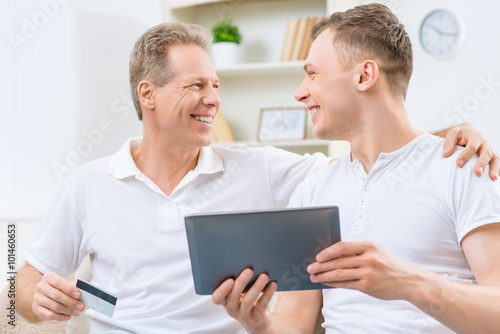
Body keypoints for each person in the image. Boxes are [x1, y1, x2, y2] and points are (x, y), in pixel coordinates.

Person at [17, 20, 497, 333]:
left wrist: (444, 139)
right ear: (149, 94)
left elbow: (388, 155)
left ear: (365, 75)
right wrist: (37, 300)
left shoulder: (267, 170)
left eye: (217, 86)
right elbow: (15, 297)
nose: (214, 99)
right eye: (197, 86)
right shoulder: (87, 185)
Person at [212, 4, 500, 333]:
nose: (300, 92)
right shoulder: (313, 190)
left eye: (312, 73)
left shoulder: (463, 167)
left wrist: (411, 283)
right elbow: (294, 322)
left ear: (364, 76)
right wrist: (260, 324)